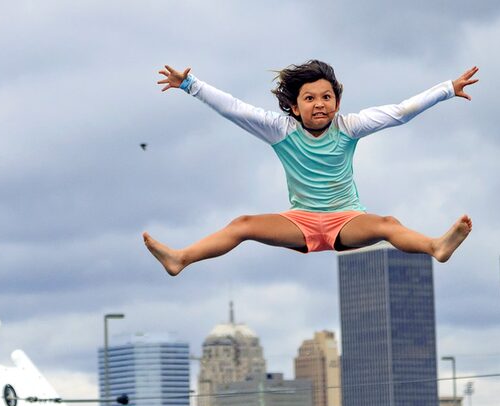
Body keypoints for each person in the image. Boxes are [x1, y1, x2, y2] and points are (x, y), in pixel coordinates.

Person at [143, 60, 478, 276]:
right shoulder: (279, 129)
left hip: (347, 220)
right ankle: (181, 258)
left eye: (327, 97)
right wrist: (190, 85)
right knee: (241, 224)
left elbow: (401, 112)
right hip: (299, 222)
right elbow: (234, 109)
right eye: (309, 98)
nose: (320, 104)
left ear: (337, 101)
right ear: (293, 106)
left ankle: (436, 247)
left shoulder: (349, 126)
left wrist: (447, 89)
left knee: (388, 224)